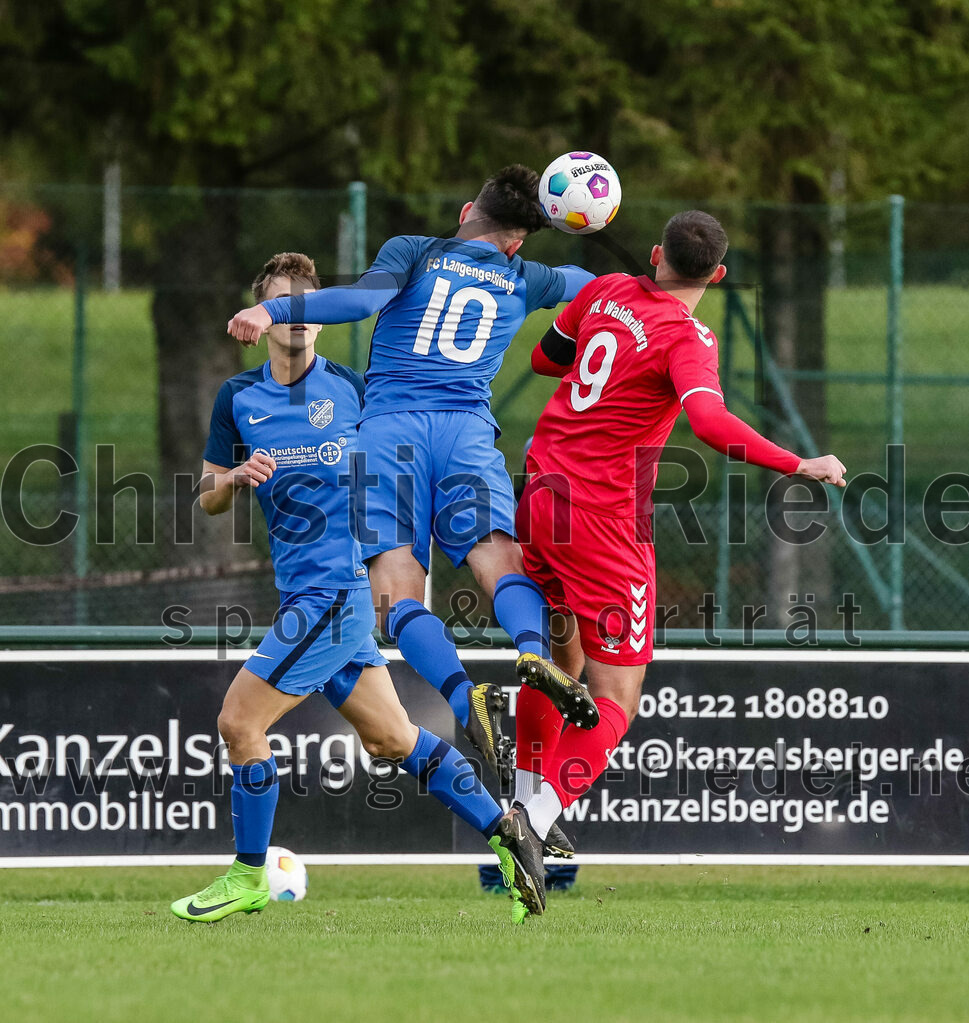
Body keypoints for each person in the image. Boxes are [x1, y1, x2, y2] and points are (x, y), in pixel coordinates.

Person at [227, 167, 599, 916]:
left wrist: (274, 309)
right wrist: (625, 280)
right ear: (517, 235)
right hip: (466, 431)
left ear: (467, 211)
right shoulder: (527, 274)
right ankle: (529, 650)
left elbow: (359, 302)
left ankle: (464, 697)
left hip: (393, 428)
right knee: (500, 561)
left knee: (397, 594)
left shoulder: (416, 250)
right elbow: (590, 284)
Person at [504, 210, 848, 915]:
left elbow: (545, 360)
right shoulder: (688, 338)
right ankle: (531, 820)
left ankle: (522, 796)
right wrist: (799, 463)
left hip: (539, 492)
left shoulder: (605, 291)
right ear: (716, 276)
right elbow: (710, 423)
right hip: (602, 521)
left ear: (656, 254)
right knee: (617, 698)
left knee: (558, 656)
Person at [172, 253, 530, 923]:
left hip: (336, 594)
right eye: (286, 302)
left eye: (310, 302)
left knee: (238, 722)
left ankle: (249, 874)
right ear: (267, 315)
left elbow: (411, 469)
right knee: (394, 739)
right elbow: (208, 496)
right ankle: (508, 829)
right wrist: (235, 476)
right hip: (305, 594)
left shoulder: (360, 392)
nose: (300, 316)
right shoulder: (238, 398)